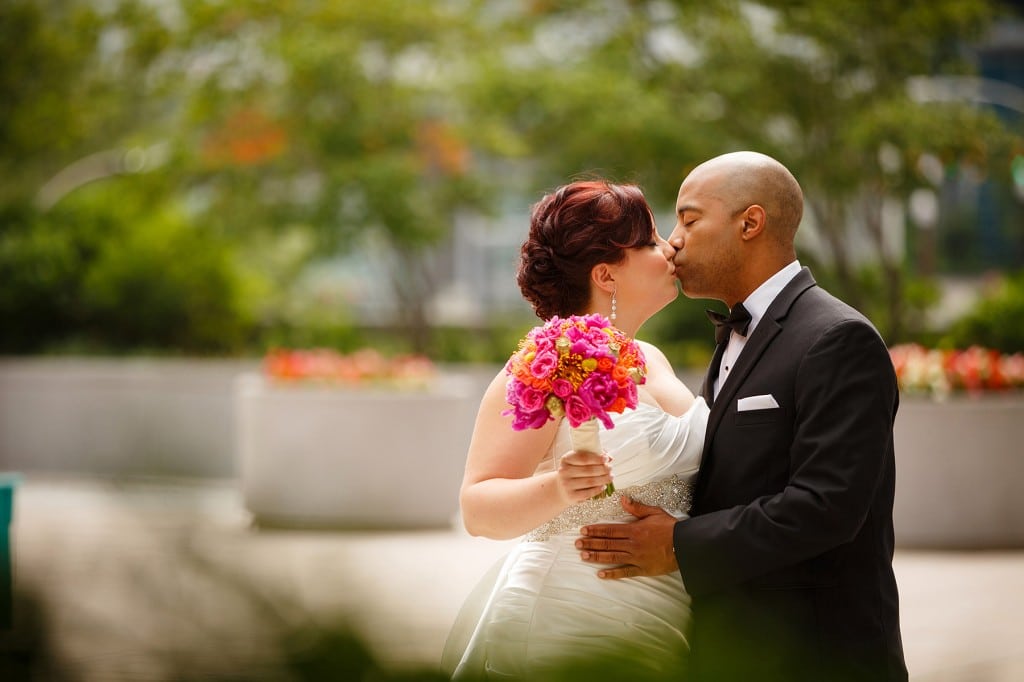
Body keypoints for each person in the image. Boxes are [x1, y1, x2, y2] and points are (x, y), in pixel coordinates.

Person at [575, 151, 908, 682]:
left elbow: (828, 505)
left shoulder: (837, 338)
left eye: (689, 218)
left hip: (817, 657)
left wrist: (677, 546)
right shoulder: (735, 334)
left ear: (750, 222)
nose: (674, 240)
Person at [442, 180, 709, 679]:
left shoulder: (654, 359)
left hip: (661, 620)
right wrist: (559, 487)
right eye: (650, 241)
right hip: (566, 614)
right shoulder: (546, 362)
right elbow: (478, 508)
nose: (670, 246)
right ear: (607, 274)